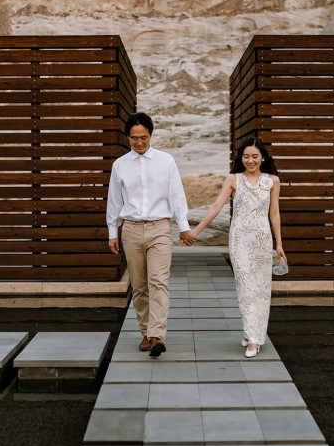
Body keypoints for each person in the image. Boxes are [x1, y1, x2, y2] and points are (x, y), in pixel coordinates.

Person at [107, 112, 196, 357]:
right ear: (128, 138)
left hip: (160, 228)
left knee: (159, 281)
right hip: (132, 230)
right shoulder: (120, 165)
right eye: (134, 139)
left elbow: (176, 195)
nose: (139, 143)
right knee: (140, 285)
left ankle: (157, 335)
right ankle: (145, 333)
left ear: (151, 135)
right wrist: (112, 232)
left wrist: (184, 226)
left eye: (143, 138)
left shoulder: (166, 161)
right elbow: (114, 202)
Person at [190, 138, 285, 358]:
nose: (250, 160)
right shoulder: (233, 180)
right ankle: (253, 338)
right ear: (240, 158)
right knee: (245, 286)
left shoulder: (273, 181)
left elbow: (274, 213)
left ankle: (253, 333)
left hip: (262, 239)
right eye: (246, 156)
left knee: (261, 287)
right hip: (240, 239)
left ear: (263, 157)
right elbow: (216, 207)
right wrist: (196, 232)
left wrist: (279, 243)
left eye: (254, 156)